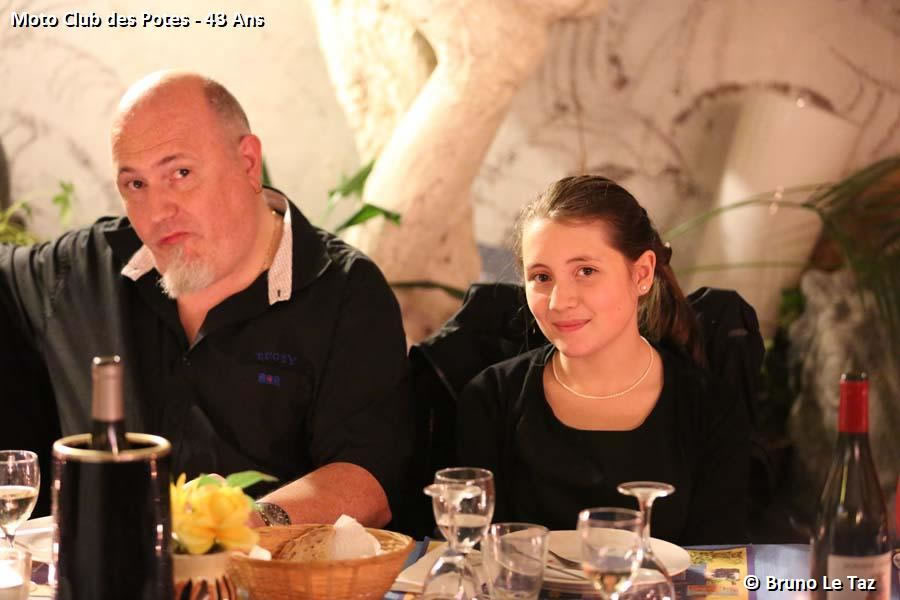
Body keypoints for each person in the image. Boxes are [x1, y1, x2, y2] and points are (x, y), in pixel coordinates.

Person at [0, 71, 412, 528]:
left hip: (265, 567)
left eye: (180, 173)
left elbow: (366, 482)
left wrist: (247, 523)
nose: (158, 210)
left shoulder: (343, 291)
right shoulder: (83, 269)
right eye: (135, 185)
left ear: (248, 163)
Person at [457, 176, 749, 545]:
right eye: (542, 277)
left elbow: (719, 562)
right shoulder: (491, 399)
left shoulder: (710, 408)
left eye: (586, 271)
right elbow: (473, 553)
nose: (559, 301)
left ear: (642, 273)